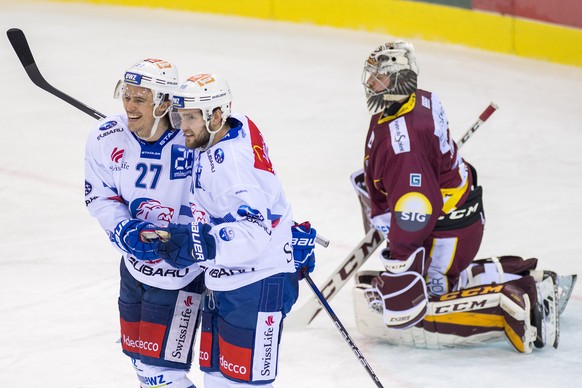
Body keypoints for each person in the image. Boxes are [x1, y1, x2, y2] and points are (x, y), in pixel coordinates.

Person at [351, 41, 576, 353]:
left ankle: (523, 296)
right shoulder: (420, 101)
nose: (371, 83)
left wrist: (399, 261)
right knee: (443, 277)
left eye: (381, 78)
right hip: (457, 211)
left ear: (401, 80)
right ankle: (529, 275)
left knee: (425, 304)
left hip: (447, 229)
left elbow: (416, 211)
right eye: (373, 76)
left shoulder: (405, 149)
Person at [150, 73, 316, 387]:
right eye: (179, 116)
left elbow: (253, 232)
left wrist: (198, 243)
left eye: (189, 118)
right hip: (229, 279)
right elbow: (266, 195)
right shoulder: (236, 125)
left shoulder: (230, 167)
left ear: (215, 116)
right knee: (217, 381)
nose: (181, 126)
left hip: (257, 283)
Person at [84, 58, 205, 387]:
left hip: (183, 276)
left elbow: (223, 200)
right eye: (126, 96)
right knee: (142, 366)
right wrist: (122, 229)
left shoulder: (196, 140)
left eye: (140, 99)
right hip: (134, 270)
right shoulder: (106, 136)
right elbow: (100, 195)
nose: (129, 107)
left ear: (165, 103)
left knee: (159, 375)